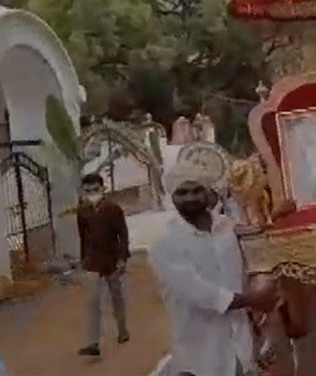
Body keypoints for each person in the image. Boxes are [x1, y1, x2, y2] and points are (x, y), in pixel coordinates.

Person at [149, 161, 279, 376]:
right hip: (199, 346)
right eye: (182, 192)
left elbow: (246, 269)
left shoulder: (227, 226)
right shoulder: (164, 243)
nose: (190, 197)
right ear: (172, 195)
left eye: (196, 190)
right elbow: (199, 293)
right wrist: (254, 300)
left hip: (240, 339)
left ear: (207, 191)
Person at [77, 173, 130, 357]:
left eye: (95, 190)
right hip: (92, 261)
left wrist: (122, 259)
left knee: (116, 297)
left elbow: (123, 235)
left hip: (112, 259)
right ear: (83, 191)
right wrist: (83, 259)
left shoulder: (113, 209)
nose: (92, 194)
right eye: (88, 191)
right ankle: (93, 343)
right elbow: (83, 238)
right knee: (92, 301)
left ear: (103, 189)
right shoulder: (82, 211)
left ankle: (122, 330)